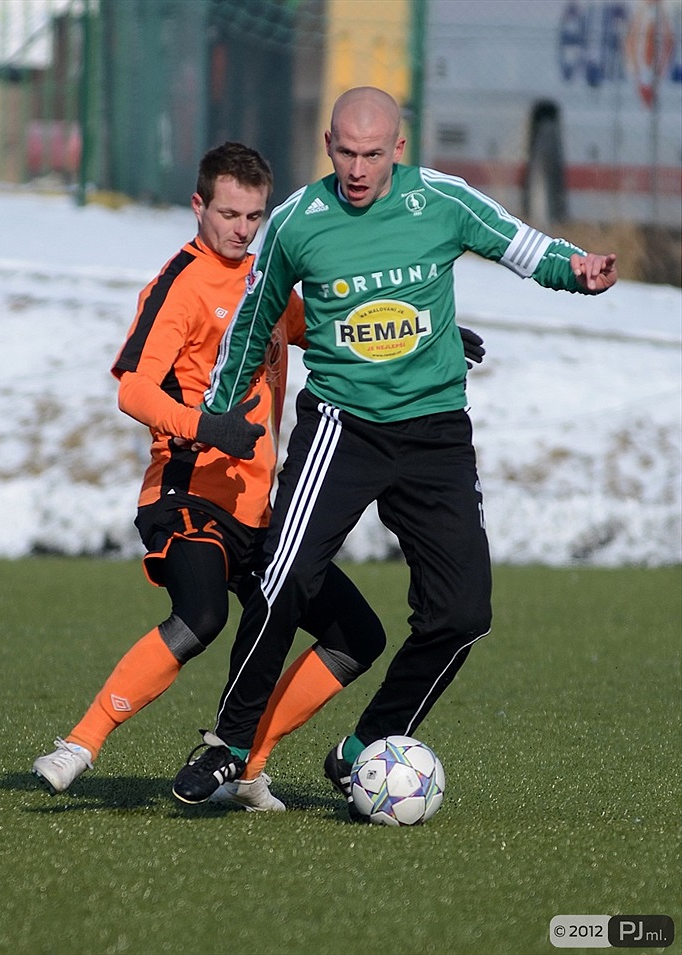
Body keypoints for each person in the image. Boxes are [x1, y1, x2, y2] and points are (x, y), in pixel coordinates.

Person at [171, 87, 617, 818]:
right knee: (283, 575)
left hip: (437, 430)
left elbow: (520, 243)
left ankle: (368, 744)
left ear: (398, 150)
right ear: (327, 144)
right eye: (345, 151)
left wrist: (578, 269)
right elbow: (252, 322)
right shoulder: (296, 223)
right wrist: (218, 415)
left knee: (464, 612)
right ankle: (228, 739)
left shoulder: (441, 199)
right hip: (343, 427)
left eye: (372, 153)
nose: (357, 166)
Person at [31, 138, 487, 811]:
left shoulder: (266, 282)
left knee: (357, 635)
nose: (241, 230)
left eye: (253, 217)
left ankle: (248, 767)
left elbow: (337, 326)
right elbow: (133, 389)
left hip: (260, 511)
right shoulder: (179, 285)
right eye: (228, 214)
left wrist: (435, 339)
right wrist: (204, 425)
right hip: (189, 495)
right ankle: (80, 743)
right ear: (198, 206)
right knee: (202, 615)